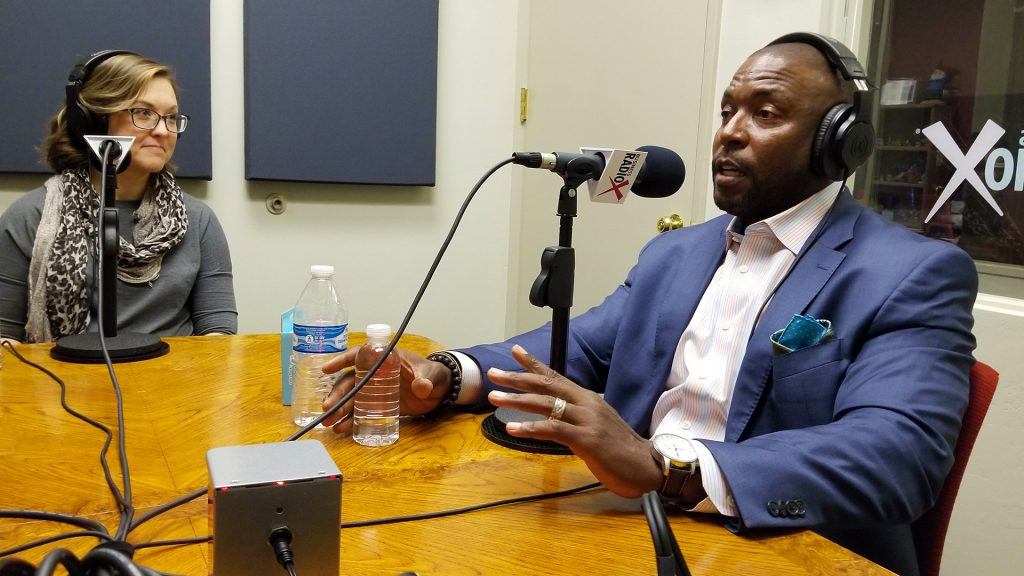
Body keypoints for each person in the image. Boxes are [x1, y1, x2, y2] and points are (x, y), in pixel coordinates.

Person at [322, 35, 976, 576]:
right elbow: (578, 349)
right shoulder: (677, 255)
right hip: (634, 528)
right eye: (726, 111)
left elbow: (898, 456)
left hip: (785, 547)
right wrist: (444, 375)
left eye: (765, 113)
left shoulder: (910, 273)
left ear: (838, 143)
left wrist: (668, 467)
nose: (730, 135)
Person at [0, 51, 237, 342]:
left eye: (172, 117)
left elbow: (219, 331)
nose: (164, 131)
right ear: (93, 121)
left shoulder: (198, 220)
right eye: (144, 113)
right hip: (65, 382)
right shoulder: (29, 217)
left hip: (175, 381)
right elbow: (4, 336)